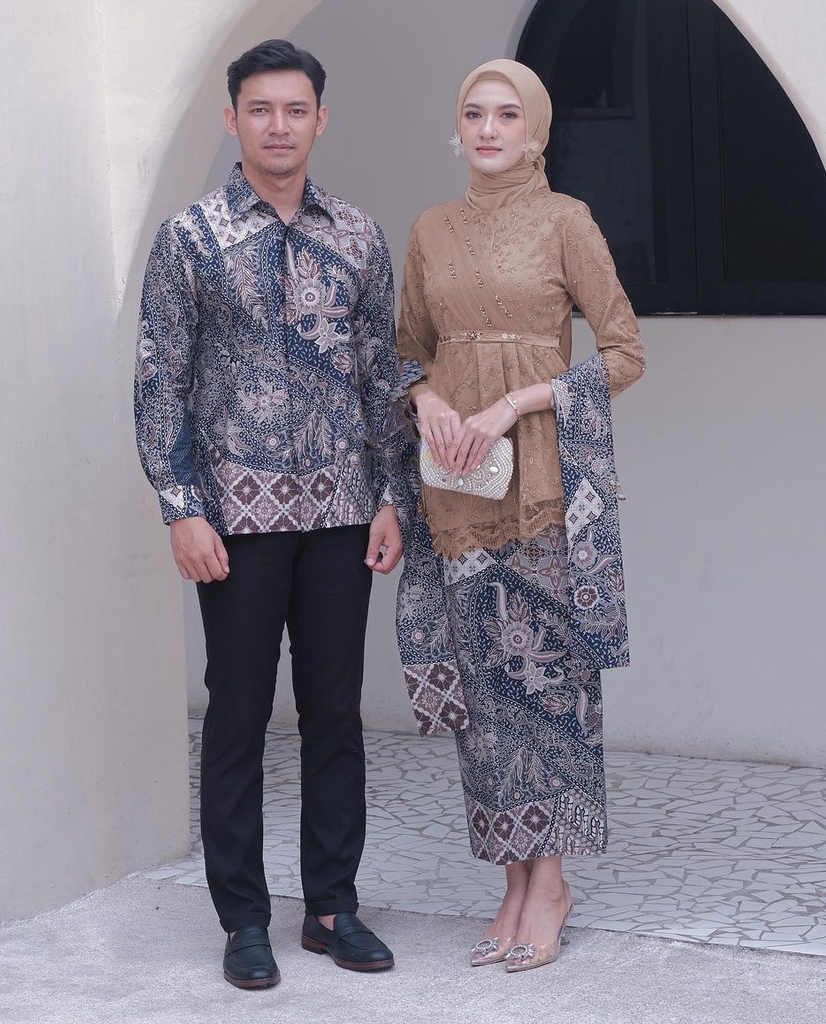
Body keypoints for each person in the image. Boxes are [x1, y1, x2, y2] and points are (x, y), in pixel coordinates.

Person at [134, 39, 405, 990]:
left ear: (320, 119)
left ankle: (331, 908)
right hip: (235, 522)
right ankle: (243, 918)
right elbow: (159, 382)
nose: (278, 126)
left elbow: (384, 376)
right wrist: (181, 509)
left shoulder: (359, 236)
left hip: (341, 512)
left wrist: (393, 496)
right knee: (239, 717)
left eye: (295, 109)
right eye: (260, 109)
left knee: (335, 714)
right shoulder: (190, 239)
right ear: (233, 119)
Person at [395, 59, 645, 973]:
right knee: (488, 704)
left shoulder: (565, 221)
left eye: (508, 115)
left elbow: (623, 353)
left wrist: (516, 401)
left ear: (535, 131)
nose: (490, 129)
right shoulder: (430, 229)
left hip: (541, 486)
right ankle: (512, 881)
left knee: (548, 690)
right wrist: (427, 397)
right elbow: (406, 350)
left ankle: (553, 884)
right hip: (457, 489)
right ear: (457, 128)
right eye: (475, 113)